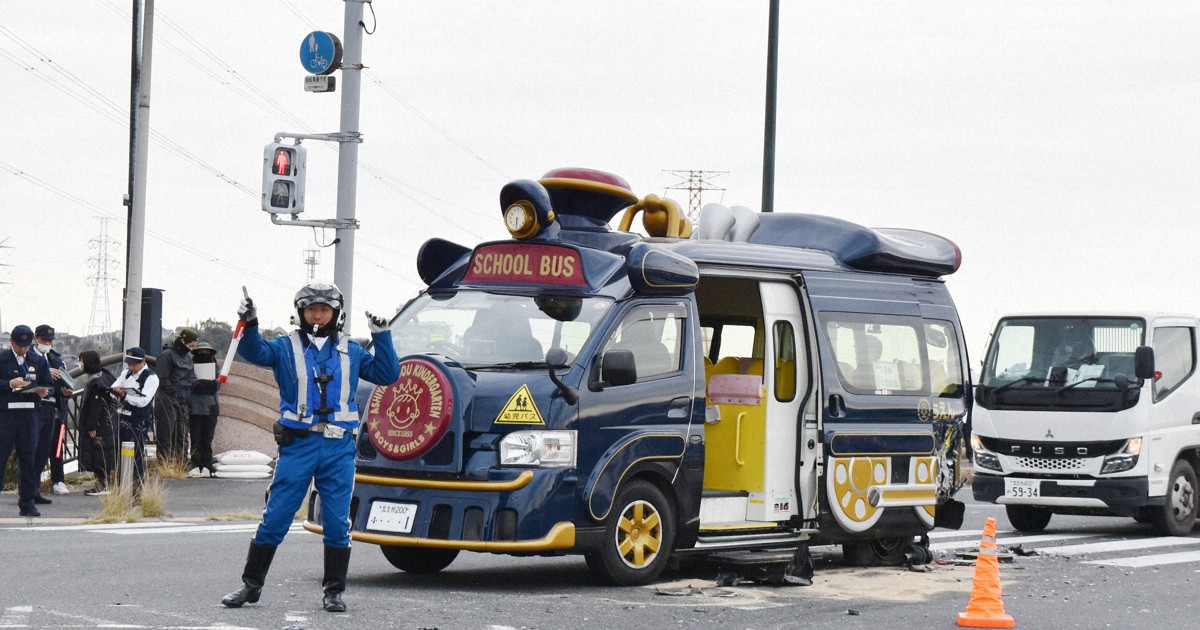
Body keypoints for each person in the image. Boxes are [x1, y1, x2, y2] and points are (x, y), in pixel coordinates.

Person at [221, 280, 398, 613]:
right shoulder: (285, 346)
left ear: (336, 314)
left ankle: (334, 591)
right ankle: (251, 585)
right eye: (311, 309)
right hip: (298, 444)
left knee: (336, 521)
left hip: (338, 448)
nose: (318, 315)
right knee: (276, 516)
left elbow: (388, 374)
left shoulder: (353, 349)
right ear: (300, 312)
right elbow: (254, 351)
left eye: (324, 309)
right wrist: (251, 321)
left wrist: (382, 335)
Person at [0, 325, 53, 517]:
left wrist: (42, 390)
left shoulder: (37, 361)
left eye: (26, 345)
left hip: (29, 415)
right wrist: (10, 384)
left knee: (28, 459)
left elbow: (48, 384)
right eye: (19, 345)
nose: (23, 349)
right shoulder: (2, 359)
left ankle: (28, 502)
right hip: (6, 415)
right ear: (12, 342)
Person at [111, 347, 159, 496]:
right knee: (119, 454)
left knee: (137, 455)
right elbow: (115, 386)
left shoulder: (151, 377)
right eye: (129, 364)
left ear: (143, 362)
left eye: (134, 364)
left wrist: (125, 396)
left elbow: (144, 401)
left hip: (138, 419)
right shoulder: (126, 373)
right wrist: (118, 392)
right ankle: (121, 487)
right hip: (123, 416)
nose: (131, 367)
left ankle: (137, 490)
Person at [31, 324, 72, 499]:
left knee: (56, 446)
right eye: (44, 340)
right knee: (34, 447)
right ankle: (31, 484)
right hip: (35, 408)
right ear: (36, 339)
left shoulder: (56, 358)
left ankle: (58, 480)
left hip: (55, 407)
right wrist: (45, 371)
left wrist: (66, 390)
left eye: (50, 341)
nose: (48, 343)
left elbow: (65, 378)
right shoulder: (29, 357)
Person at [77, 350, 118, 496]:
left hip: (99, 425)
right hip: (108, 423)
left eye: (81, 361)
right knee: (104, 453)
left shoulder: (95, 382)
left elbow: (95, 406)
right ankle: (103, 483)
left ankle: (101, 485)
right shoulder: (105, 376)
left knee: (98, 455)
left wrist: (91, 426)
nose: (80, 364)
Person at [156, 327, 198, 462]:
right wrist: (173, 392)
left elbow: (191, 376)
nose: (191, 348)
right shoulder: (167, 355)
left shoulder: (188, 357)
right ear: (183, 340)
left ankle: (181, 462)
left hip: (183, 398)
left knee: (182, 433)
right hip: (168, 397)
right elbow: (163, 377)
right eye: (190, 345)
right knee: (166, 432)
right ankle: (165, 463)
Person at [186, 342, 221, 478]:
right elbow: (193, 384)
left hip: (211, 408)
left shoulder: (217, 368)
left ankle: (206, 465)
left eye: (206, 352)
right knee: (196, 439)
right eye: (200, 353)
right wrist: (207, 384)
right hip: (195, 408)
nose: (204, 355)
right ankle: (195, 465)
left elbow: (216, 385)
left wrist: (203, 385)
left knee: (207, 440)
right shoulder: (190, 367)